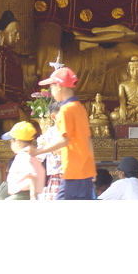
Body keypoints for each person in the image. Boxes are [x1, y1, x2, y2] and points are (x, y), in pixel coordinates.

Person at [27, 66, 96, 200]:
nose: (51, 92)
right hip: (86, 170)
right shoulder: (80, 108)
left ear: (59, 86)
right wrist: (92, 166)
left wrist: (37, 151)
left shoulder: (65, 110)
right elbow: (88, 140)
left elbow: (64, 140)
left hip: (73, 170)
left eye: (51, 87)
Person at [2, 121, 46, 200]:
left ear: (17, 142)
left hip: (22, 195)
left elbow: (32, 175)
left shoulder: (23, 156)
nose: (10, 145)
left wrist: (33, 196)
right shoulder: (32, 156)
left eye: (11, 142)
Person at [35, 101, 63, 200]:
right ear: (53, 116)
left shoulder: (71, 132)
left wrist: (46, 144)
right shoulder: (50, 133)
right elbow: (39, 157)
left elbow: (65, 153)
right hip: (55, 176)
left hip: (70, 175)